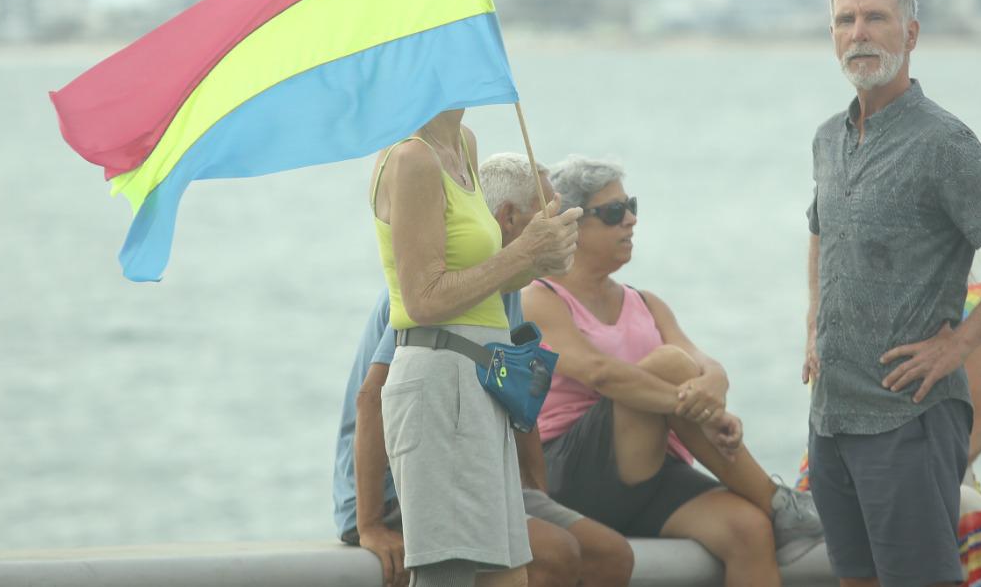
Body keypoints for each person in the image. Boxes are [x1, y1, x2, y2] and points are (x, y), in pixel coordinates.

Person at [806, 0, 981, 587]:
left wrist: (960, 344)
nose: (858, 32)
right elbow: (820, 230)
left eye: (875, 18)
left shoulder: (942, 141)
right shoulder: (828, 138)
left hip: (907, 420)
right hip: (831, 417)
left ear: (910, 34)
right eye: (845, 19)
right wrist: (813, 325)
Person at [525, 155, 825, 587]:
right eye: (612, 213)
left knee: (747, 529)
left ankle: (772, 513)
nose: (630, 220)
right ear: (572, 224)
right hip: (574, 473)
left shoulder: (645, 302)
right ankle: (778, 502)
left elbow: (706, 367)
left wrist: (711, 388)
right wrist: (703, 410)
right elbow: (598, 373)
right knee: (667, 365)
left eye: (632, 207)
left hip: (650, 467)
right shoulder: (540, 298)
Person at [336, 153, 634, 587]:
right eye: (551, 211)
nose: (566, 224)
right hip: (399, 488)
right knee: (555, 554)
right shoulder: (445, 287)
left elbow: (516, 393)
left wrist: (534, 492)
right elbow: (371, 398)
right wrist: (369, 525)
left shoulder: (512, 287)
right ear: (510, 218)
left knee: (610, 555)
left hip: (487, 470)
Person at [371, 110, 582, 587]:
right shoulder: (412, 157)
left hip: (481, 385)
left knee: (508, 577)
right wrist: (523, 252)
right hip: (442, 387)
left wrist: (542, 255)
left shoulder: (463, 143)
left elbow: (486, 283)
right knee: (451, 575)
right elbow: (425, 299)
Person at [794, 274, 981, 587]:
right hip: (838, 469)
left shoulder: (946, 306)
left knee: (961, 509)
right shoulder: (837, 301)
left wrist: (926, 480)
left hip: (926, 471)